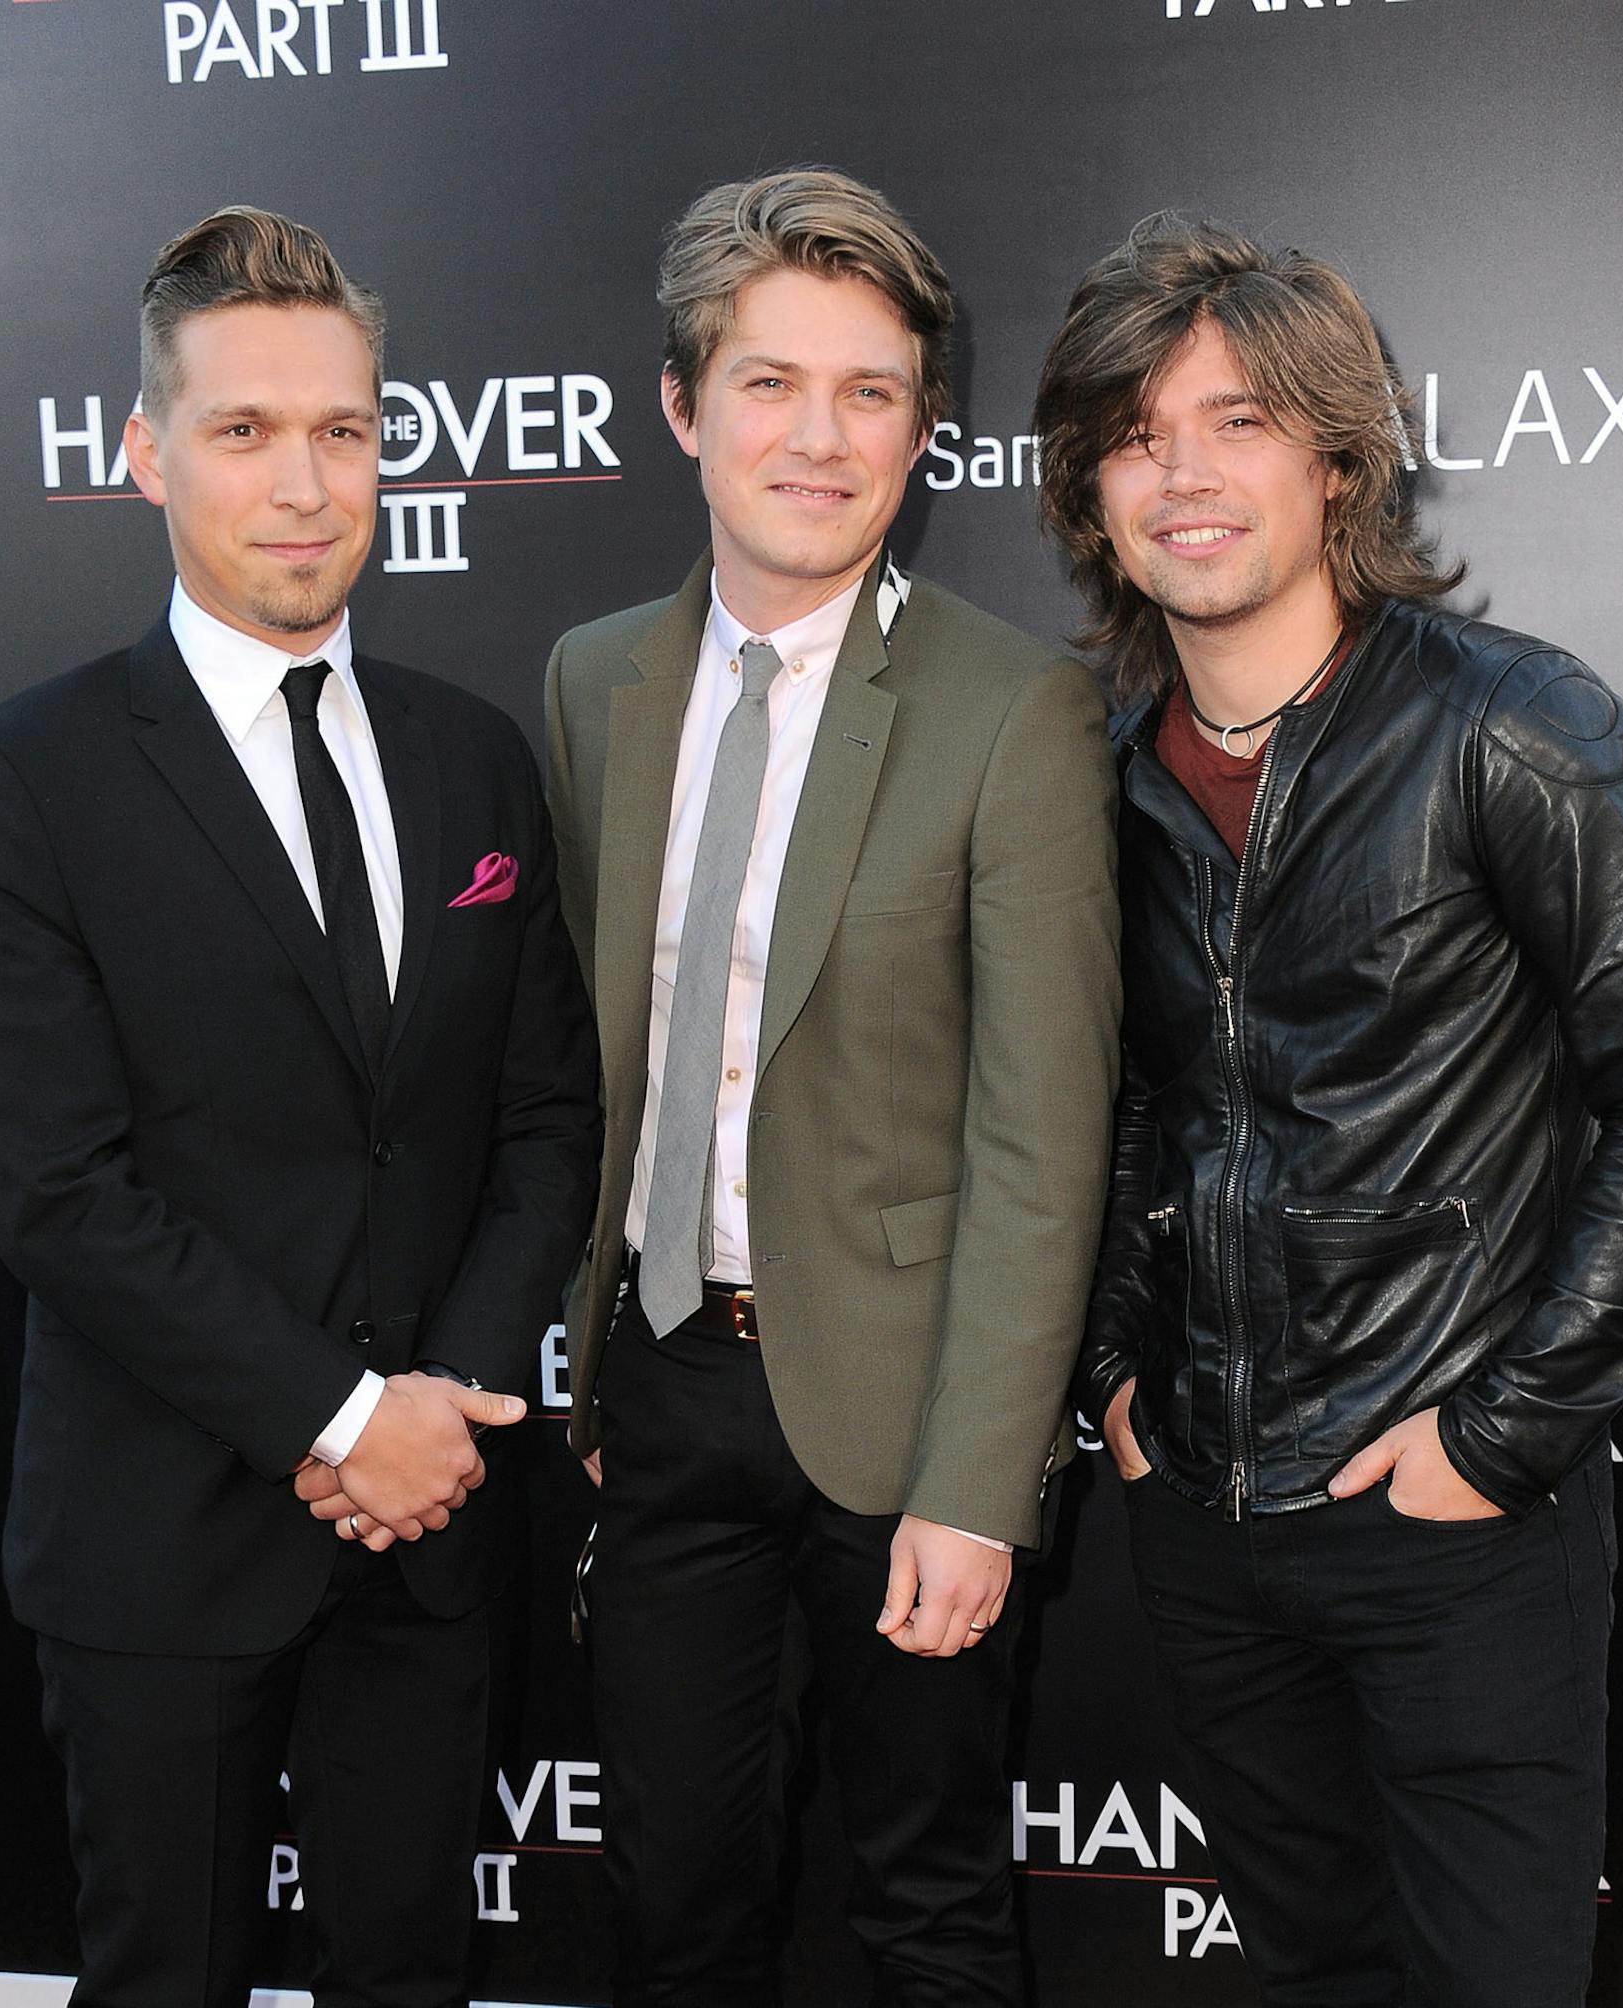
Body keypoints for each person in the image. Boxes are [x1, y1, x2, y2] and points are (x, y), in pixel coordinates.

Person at [1034, 216, 1623, 2007]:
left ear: (1341, 458)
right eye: (1136, 435)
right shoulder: (1101, 777)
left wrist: (1502, 1438)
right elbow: (1130, 1102)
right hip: (1206, 1521)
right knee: (1307, 1977)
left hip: (1455, 1533)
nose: (1183, 475)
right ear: (1089, 490)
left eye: (1238, 423)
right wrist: (1123, 1379)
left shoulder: (1509, 728)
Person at [0, 205, 599, 2008]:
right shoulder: (36, 773)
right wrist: (335, 1414)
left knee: (412, 1977)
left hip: (434, 1524)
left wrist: (436, 1407)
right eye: (243, 432)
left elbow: (543, 1119)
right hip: (163, 1532)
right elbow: (57, 1192)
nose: (302, 484)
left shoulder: (472, 753)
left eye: (344, 432)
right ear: (144, 454)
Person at [542, 167, 1119, 2005]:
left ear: (921, 431)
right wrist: (592, 1350)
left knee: (928, 1908)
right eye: (773, 382)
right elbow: (581, 1057)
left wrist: (978, 1485)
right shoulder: (589, 683)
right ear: (681, 408)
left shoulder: (1011, 706)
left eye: (871, 392)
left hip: (904, 1417)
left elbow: (1044, 1139)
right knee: (676, 1908)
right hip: (662, 1397)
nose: (821, 436)